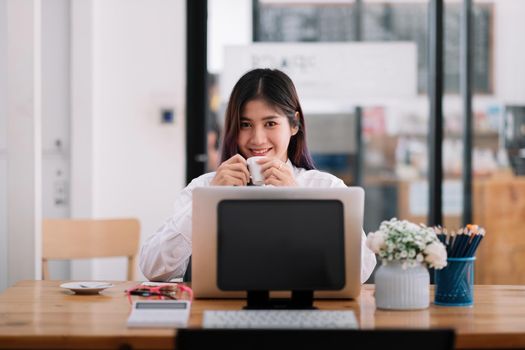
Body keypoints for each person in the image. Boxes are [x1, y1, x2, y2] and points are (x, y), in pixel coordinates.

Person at [139, 68, 376, 283]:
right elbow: (153, 268)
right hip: (223, 314)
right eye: (245, 124)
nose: (257, 139)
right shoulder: (205, 187)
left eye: (270, 123)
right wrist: (207, 201)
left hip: (304, 312)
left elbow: (360, 271)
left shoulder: (325, 187)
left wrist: (301, 204)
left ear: (294, 125)